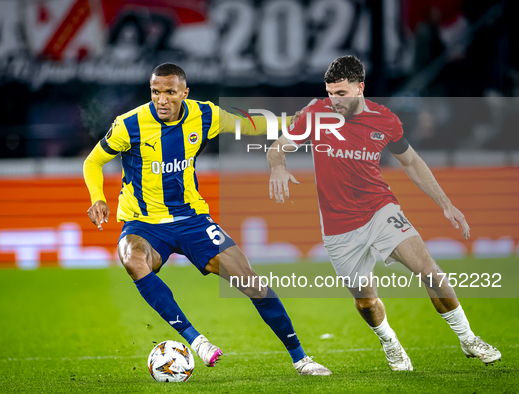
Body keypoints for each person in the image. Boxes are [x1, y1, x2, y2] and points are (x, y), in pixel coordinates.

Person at [83, 63, 331, 376]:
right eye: (155, 92)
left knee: (251, 281)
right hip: (143, 223)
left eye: (170, 92)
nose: (161, 99)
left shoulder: (205, 115)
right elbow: (93, 161)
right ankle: (196, 341)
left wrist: (292, 121)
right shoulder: (129, 124)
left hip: (192, 219)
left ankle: (301, 359)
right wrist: (97, 197)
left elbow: (250, 125)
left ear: (184, 93)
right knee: (131, 258)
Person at [267, 55, 501, 371]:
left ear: (360, 87)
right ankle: (390, 342)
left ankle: (468, 338)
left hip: (380, 209)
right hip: (338, 226)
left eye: (342, 93)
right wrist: (278, 168)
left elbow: (412, 162)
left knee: (428, 269)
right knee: (365, 300)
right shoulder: (315, 114)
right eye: (330, 93)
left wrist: (445, 203)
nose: (334, 100)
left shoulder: (385, 119)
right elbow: (276, 148)